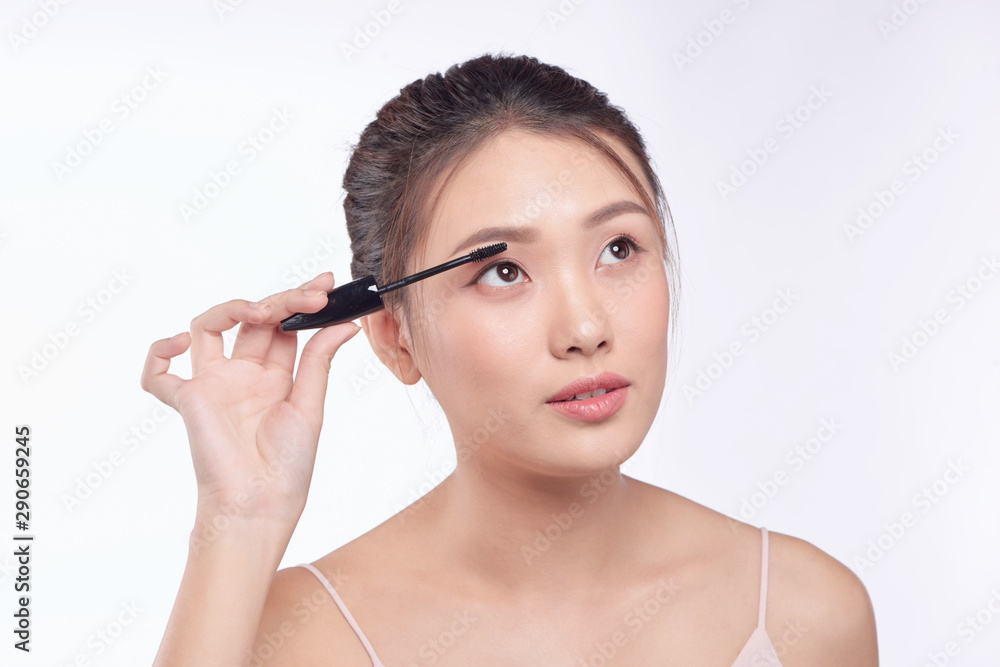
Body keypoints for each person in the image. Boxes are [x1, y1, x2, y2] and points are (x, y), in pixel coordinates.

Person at [142, 53, 878, 666]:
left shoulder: (799, 610)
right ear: (396, 337)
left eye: (618, 249)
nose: (585, 326)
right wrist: (238, 521)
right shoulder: (297, 638)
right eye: (503, 271)